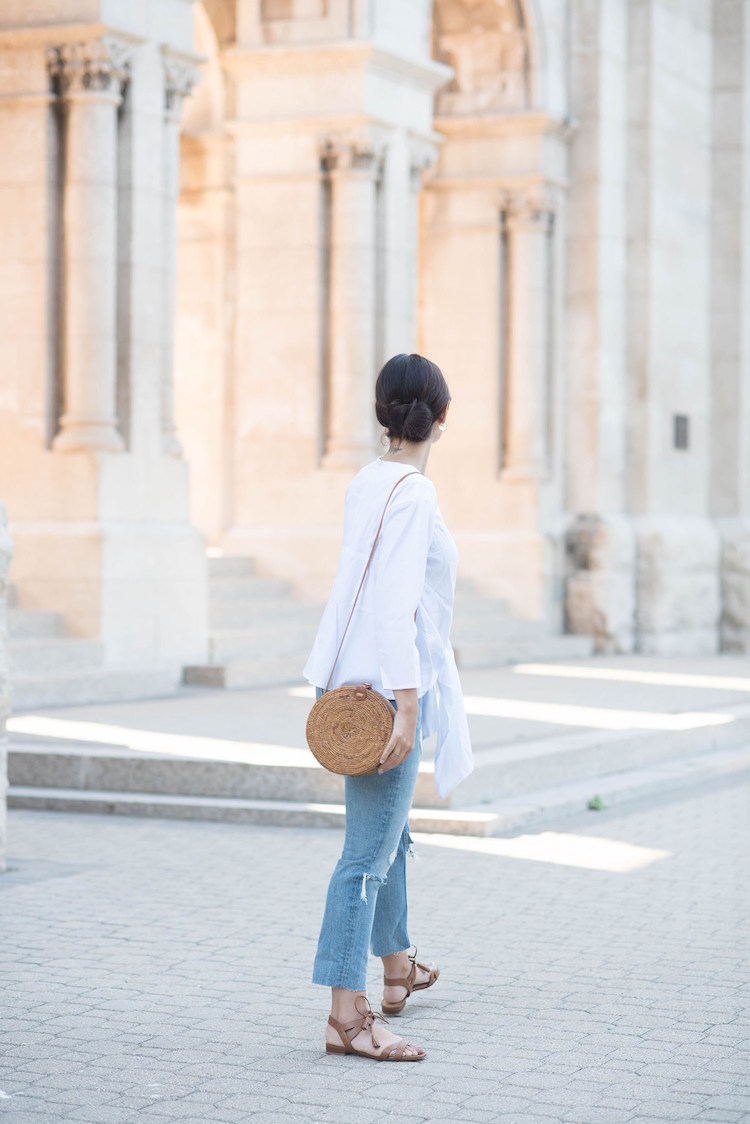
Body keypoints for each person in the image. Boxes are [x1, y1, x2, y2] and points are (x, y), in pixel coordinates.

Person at [303, 352, 474, 1062]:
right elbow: (394, 601)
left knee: (389, 836)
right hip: (381, 691)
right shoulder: (416, 493)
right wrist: (408, 704)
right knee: (366, 857)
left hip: (344, 682)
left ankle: (397, 964)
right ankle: (348, 1016)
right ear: (440, 417)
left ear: (383, 414)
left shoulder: (367, 481)